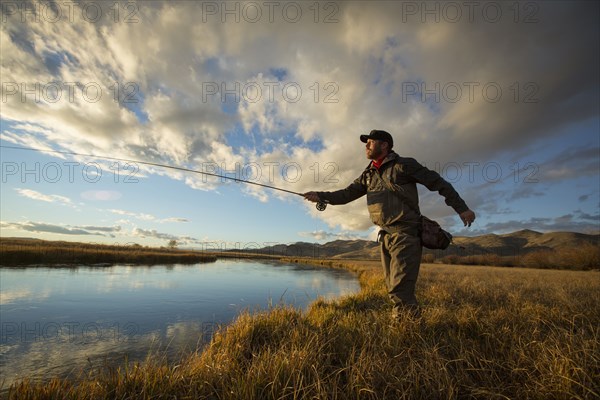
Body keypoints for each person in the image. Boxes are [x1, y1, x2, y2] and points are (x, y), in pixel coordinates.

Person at [304, 130, 475, 320]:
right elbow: (346, 194)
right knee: (392, 286)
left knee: (399, 290)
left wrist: (462, 208)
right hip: (385, 237)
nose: (366, 146)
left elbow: (438, 183)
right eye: (366, 143)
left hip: (406, 235)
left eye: (370, 142)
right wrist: (320, 195)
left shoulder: (405, 165)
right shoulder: (368, 174)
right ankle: (411, 326)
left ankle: (406, 333)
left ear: (384, 145)